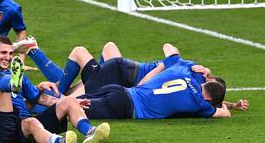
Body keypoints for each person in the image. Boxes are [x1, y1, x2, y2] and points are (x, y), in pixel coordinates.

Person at [0, 34, 110, 143]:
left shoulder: (19, 73)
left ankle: (90, 132)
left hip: (24, 118)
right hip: (6, 122)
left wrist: (64, 102)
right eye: (3, 53)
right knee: (4, 86)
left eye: (11, 54)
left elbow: (38, 98)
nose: (8, 57)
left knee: (68, 101)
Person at [14, 37, 249, 111]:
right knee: (69, 96)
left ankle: (35, 54)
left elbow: (208, 95)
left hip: (125, 69)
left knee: (87, 57)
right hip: (127, 80)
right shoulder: (190, 73)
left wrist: (233, 105)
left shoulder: (187, 71)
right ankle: (36, 91)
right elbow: (205, 97)